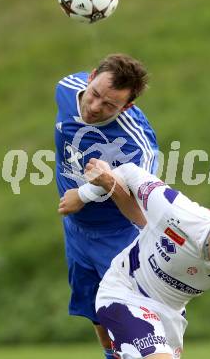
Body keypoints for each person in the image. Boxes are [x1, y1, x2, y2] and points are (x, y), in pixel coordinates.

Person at [60, 158, 210, 359]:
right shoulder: (177, 212)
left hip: (169, 318)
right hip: (125, 292)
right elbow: (129, 171)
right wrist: (84, 194)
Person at [54, 54, 158, 359]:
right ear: (91, 77)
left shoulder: (139, 144)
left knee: (132, 325)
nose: (95, 107)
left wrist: (85, 194)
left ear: (126, 107)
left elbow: (141, 212)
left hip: (119, 237)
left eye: (110, 105)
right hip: (76, 231)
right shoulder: (66, 88)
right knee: (98, 314)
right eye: (95, 94)